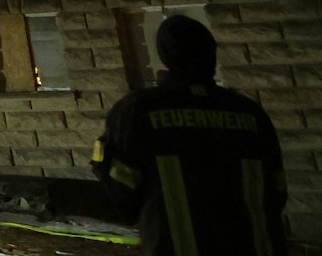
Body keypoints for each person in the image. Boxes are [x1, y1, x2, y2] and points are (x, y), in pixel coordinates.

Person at [92, 14, 286, 254]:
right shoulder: (250, 113)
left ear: (165, 57)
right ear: (211, 56)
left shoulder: (138, 111)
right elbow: (276, 191)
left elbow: (123, 195)